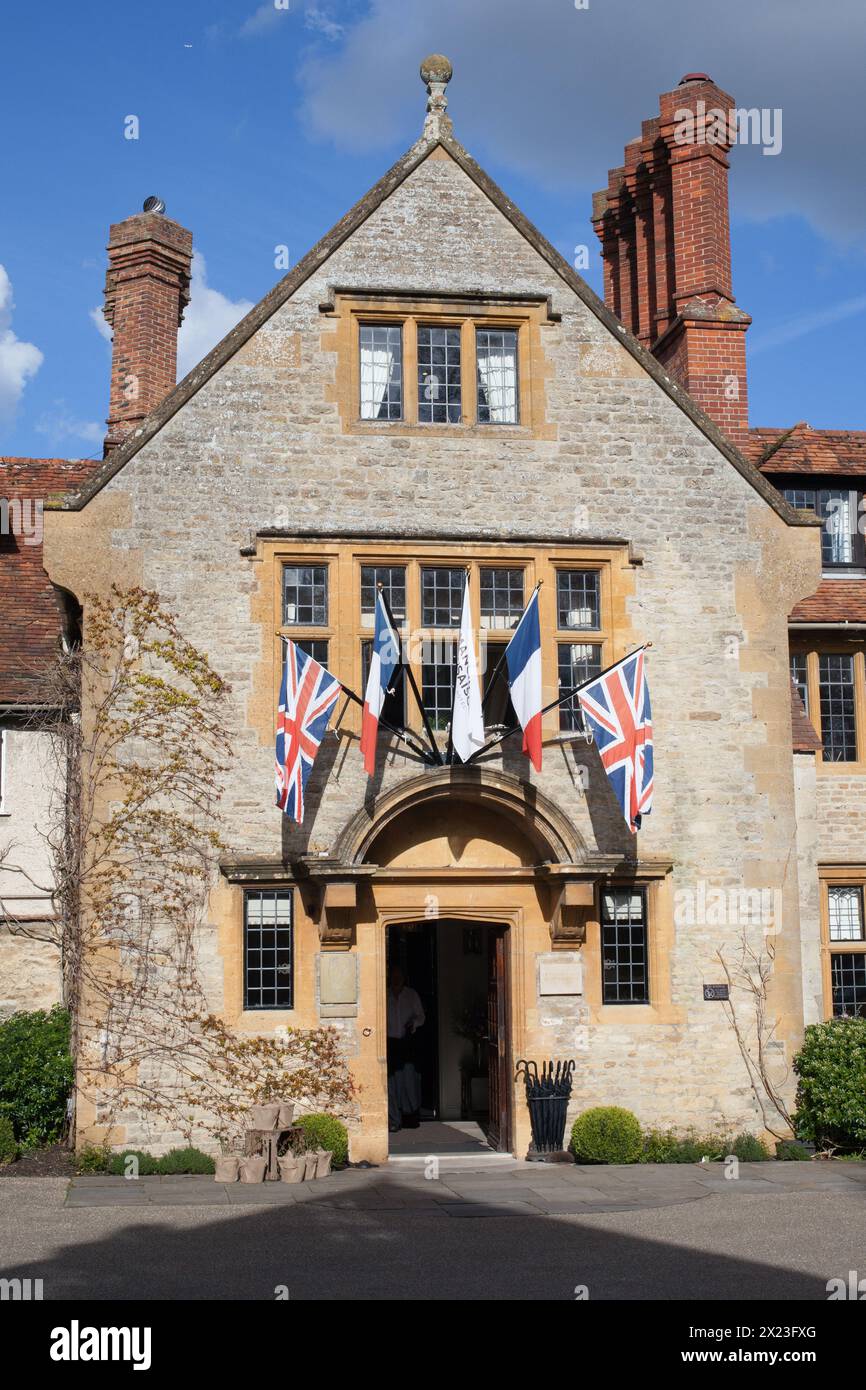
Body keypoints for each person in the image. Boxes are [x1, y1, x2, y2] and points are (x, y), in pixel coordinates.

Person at [386, 964, 425, 1132]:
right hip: (389, 1042)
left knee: (409, 1081)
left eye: (399, 976)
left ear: (403, 978)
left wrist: (413, 1024)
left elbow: (421, 1016)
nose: (396, 979)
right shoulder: (384, 994)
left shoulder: (411, 995)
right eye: (393, 976)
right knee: (392, 1083)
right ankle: (394, 1119)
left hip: (407, 1042)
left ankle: (410, 1116)